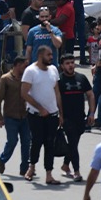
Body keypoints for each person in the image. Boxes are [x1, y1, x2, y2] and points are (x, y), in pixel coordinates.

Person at [21, 45, 63, 185]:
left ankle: (49, 174)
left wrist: (60, 113)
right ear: (40, 56)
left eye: (52, 55)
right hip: (35, 115)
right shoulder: (30, 71)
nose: (51, 57)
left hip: (52, 114)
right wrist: (40, 108)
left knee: (50, 143)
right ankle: (31, 167)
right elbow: (24, 93)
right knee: (37, 141)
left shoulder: (53, 70)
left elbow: (57, 92)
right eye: (49, 55)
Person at [59, 53, 94, 182]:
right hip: (66, 118)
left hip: (80, 117)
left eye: (72, 63)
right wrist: (60, 115)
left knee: (74, 142)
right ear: (62, 66)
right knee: (73, 144)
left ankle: (65, 164)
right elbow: (55, 99)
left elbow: (90, 95)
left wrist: (91, 113)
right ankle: (77, 171)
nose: (70, 65)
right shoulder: (59, 80)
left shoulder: (82, 78)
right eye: (67, 63)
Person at [0, 54, 31, 174]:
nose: (26, 68)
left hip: (25, 116)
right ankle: (2, 159)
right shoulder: (6, 79)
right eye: (25, 66)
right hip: (10, 116)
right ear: (18, 65)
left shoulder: (26, 78)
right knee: (12, 141)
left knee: (26, 142)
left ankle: (24, 168)